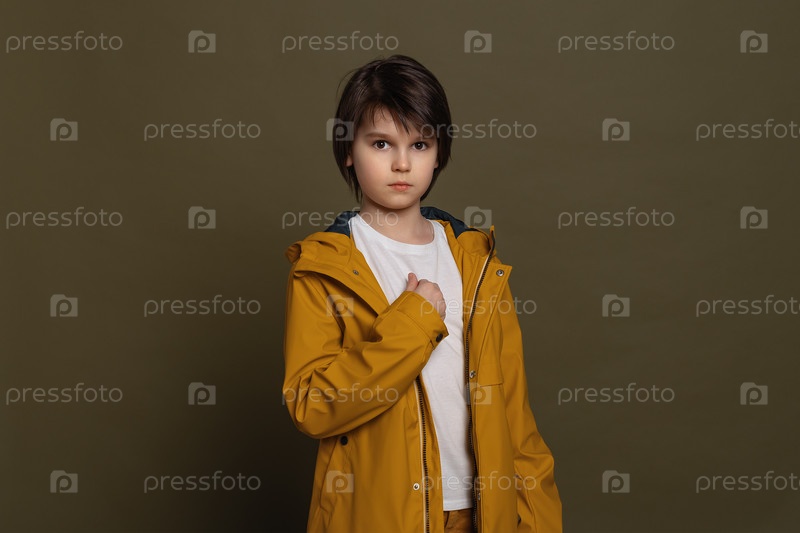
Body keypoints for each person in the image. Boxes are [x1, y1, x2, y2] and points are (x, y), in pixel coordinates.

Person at [283, 54, 562, 533]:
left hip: (482, 514)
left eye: (419, 144)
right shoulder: (324, 267)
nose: (402, 163)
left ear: (439, 152)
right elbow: (312, 405)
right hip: (378, 516)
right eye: (381, 143)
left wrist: (538, 521)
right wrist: (413, 325)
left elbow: (514, 414)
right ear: (348, 150)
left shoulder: (476, 261)